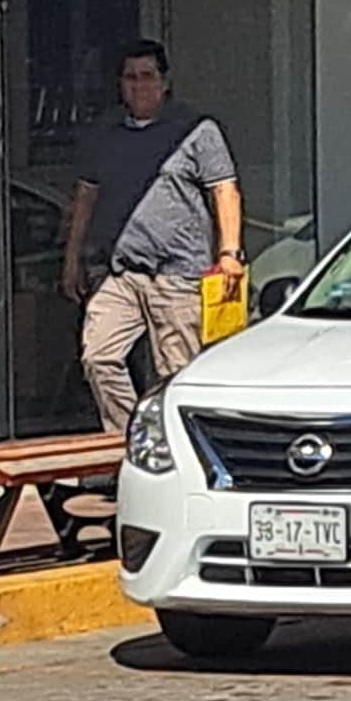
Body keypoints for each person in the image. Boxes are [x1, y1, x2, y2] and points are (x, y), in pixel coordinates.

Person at [63, 41, 244, 434]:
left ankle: (176, 459)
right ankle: (132, 445)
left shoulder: (196, 129)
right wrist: (72, 259)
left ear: (165, 83)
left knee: (176, 374)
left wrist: (230, 252)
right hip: (121, 273)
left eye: (147, 77)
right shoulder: (106, 132)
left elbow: (224, 189)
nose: (139, 86)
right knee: (98, 356)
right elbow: (86, 196)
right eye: (130, 77)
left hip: (177, 274)